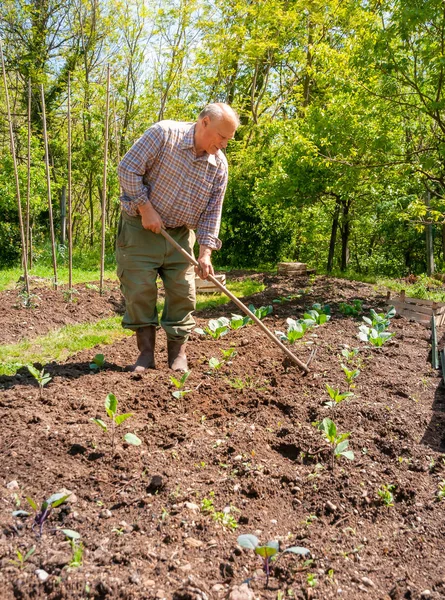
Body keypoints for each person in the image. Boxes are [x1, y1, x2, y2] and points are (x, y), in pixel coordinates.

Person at [116, 103, 239, 373]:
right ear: (204, 123)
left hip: (181, 234)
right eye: (222, 137)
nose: (224, 144)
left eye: (228, 140)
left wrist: (205, 253)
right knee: (139, 291)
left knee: (183, 292)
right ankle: (146, 355)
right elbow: (127, 169)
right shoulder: (163, 134)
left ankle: (178, 355)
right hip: (140, 228)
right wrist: (145, 208)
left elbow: (212, 213)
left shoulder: (218, 166)